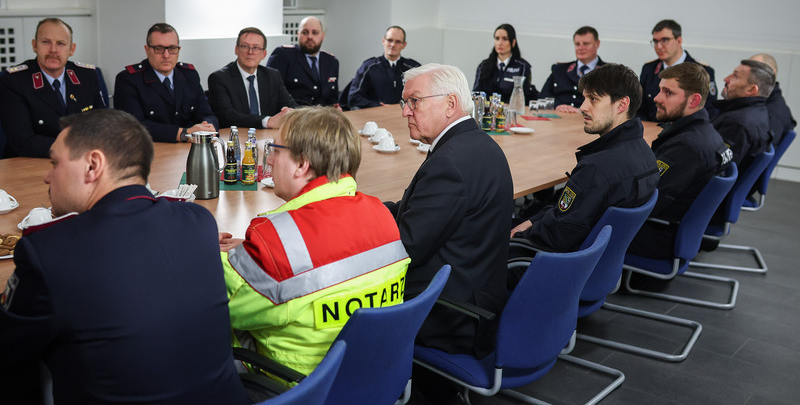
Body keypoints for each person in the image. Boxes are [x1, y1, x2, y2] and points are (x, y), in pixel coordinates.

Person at [0, 109, 247, 405]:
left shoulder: (49, 250)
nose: (46, 176)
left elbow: (9, 351)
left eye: (55, 162)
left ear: (93, 165)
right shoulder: (198, 221)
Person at [219, 107, 409, 375]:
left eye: (275, 149)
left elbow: (216, 301)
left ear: (302, 164)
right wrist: (253, 256)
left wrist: (198, 247)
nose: (269, 160)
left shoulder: (275, 241)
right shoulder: (381, 213)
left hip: (297, 387)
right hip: (370, 375)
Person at [386, 63, 513, 360]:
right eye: (405, 102)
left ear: (450, 104)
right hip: (475, 293)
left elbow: (407, 248)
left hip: (449, 315)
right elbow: (420, 210)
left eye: (414, 101)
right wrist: (367, 210)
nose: (405, 111)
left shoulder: (450, 163)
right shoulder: (479, 143)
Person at [511, 64, 659, 253]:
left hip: (549, 265)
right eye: (584, 98)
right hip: (594, 261)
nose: (582, 107)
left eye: (594, 99)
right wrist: (531, 221)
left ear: (622, 104)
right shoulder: (645, 152)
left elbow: (557, 234)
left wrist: (517, 236)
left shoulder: (598, 168)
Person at [627, 62, 733, 259]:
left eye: (668, 93)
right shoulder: (706, 132)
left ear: (694, 100)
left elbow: (644, 201)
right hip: (670, 229)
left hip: (657, 237)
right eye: (659, 90)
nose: (657, 98)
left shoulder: (686, 147)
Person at [0, 18, 106, 158]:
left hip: (82, 159)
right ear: (34, 45)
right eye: (45, 42)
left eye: (61, 43)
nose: (53, 50)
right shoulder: (14, 81)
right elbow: (22, 141)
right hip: (31, 161)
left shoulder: (87, 76)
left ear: (72, 49)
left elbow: (103, 126)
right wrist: (76, 148)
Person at [114, 23, 218, 143]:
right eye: (159, 48)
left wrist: (208, 128)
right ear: (147, 50)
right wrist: (183, 134)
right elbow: (133, 126)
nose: (166, 55)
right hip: (150, 150)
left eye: (172, 48)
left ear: (179, 50)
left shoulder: (189, 75)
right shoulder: (128, 80)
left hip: (188, 149)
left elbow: (207, 114)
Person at [208, 27, 296, 128]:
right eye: (245, 46)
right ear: (236, 49)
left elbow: (290, 104)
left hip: (268, 137)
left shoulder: (272, 76)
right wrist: (267, 121)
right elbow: (227, 116)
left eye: (256, 48)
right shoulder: (219, 79)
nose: (250, 52)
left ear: (264, 54)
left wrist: (289, 112)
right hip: (237, 137)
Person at [638, 19, 718, 121]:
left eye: (665, 40)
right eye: (655, 41)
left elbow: (709, 111)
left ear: (679, 40)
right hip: (653, 130)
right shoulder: (649, 69)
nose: (658, 46)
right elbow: (641, 108)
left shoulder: (703, 71)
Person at [712, 59, 774, 171]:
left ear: (751, 89)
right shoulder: (758, 111)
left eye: (735, 76)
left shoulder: (738, 123)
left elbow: (715, 168)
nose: (726, 79)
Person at [266, 16, 340, 106]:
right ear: (298, 35)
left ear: (322, 36)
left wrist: (335, 108)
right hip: (293, 115)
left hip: (322, 117)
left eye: (315, 33)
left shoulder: (331, 62)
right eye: (305, 32)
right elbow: (273, 93)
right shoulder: (283, 55)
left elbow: (332, 97)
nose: (309, 36)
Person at [347, 25, 421, 109]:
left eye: (398, 42)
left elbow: (423, 96)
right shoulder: (368, 67)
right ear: (383, 41)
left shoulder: (413, 68)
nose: (393, 45)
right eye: (390, 40)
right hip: (375, 117)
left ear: (404, 45)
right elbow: (353, 97)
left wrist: (403, 106)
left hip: (405, 117)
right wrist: (379, 107)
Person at [541, 26, 606, 113]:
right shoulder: (559, 69)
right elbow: (543, 95)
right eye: (577, 44)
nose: (580, 48)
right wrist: (558, 106)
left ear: (597, 43)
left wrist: (581, 111)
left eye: (586, 44)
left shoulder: (608, 72)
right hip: (560, 117)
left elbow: (612, 102)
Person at [473, 23, 537, 104]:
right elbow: (476, 93)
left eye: (505, 39)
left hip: (510, 111)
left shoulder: (523, 66)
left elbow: (522, 96)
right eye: (497, 38)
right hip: (486, 111)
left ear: (513, 42)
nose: (500, 43)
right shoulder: (484, 65)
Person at [748, 53, 795, 146]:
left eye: (755, 70)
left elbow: (761, 148)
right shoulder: (763, 101)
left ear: (772, 73)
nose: (749, 75)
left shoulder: (774, 112)